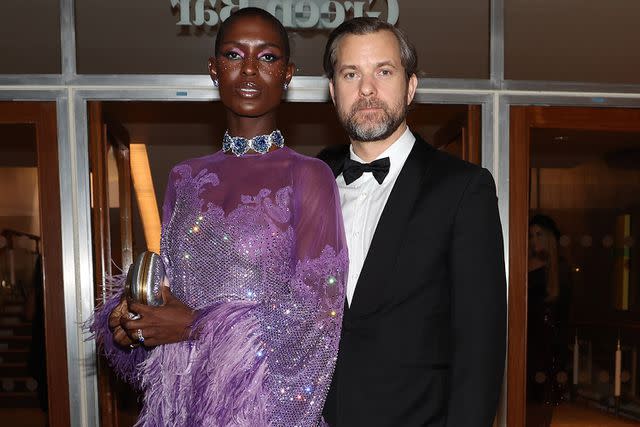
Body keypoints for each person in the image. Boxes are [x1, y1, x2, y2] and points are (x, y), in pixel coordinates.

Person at [90, 8, 347, 426]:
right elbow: (174, 297)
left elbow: (317, 319)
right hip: (186, 406)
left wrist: (194, 325)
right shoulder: (184, 177)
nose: (248, 70)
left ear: (287, 73)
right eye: (233, 55)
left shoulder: (308, 175)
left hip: (264, 412)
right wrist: (137, 319)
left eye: (266, 57)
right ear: (213, 69)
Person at [318, 17, 507, 426]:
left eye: (383, 71)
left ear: (410, 85)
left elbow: (480, 349)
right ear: (333, 91)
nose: (367, 88)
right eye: (351, 74)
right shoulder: (310, 180)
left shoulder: (463, 189)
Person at [527, 214, 571, 410]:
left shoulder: (559, 270)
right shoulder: (521, 263)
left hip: (546, 345)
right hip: (524, 340)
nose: (533, 240)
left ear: (549, 238)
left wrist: (561, 358)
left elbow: (564, 316)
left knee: (542, 406)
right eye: (530, 235)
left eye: (538, 234)